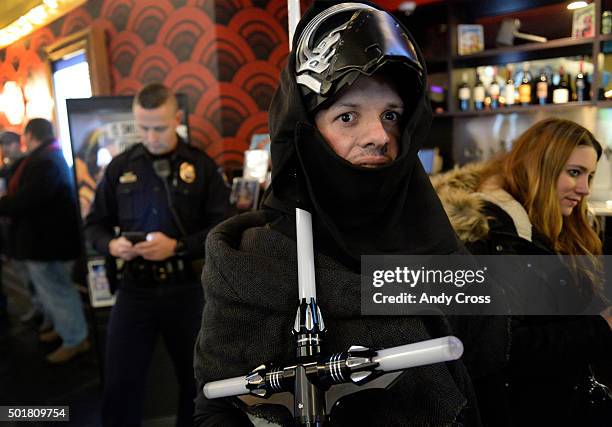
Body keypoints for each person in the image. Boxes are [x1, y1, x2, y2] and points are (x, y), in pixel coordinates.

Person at [193, 1, 486, 425]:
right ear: (307, 132)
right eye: (347, 116)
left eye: (391, 115)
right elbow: (215, 405)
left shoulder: (428, 232)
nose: (379, 136)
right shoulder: (254, 261)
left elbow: (494, 346)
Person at [432, 118, 612, 426]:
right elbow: (504, 350)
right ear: (538, 168)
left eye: (590, 175)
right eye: (574, 173)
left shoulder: (547, 225)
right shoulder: (492, 236)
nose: (584, 189)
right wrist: (602, 326)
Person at [85, 83, 231, 427]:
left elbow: (222, 227)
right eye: (144, 128)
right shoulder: (121, 167)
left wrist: (177, 246)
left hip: (187, 289)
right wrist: (111, 245)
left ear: (177, 119)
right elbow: (94, 225)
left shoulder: (201, 166)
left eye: (160, 128)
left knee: (195, 383)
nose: (151, 136)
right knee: (120, 382)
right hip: (135, 288)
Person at [0, 119, 89, 363]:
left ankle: (75, 338)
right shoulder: (48, 156)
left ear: (30, 135)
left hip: (47, 242)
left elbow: (28, 200)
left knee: (58, 291)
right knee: (55, 291)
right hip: (45, 240)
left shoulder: (46, 160)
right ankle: (66, 331)